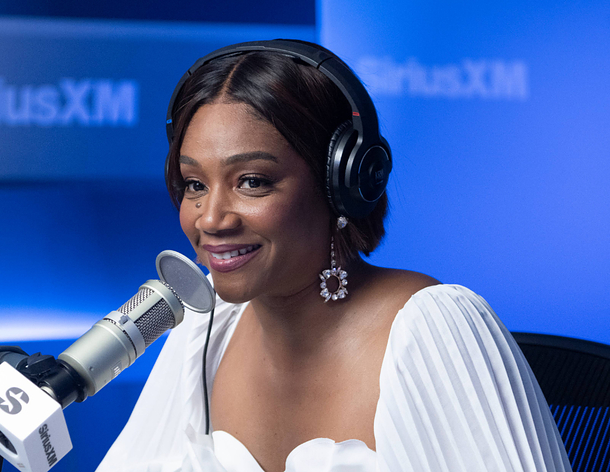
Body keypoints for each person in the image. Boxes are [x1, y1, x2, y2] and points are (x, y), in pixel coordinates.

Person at [96, 40, 571, 472]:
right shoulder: (203, 328)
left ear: (341, 186)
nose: (211, 219)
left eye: (253, 182)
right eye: (195, 185)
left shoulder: (435, 330)